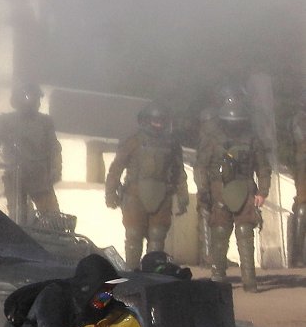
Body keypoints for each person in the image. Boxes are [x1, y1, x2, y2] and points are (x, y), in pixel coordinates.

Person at [196, 100, 270, 291]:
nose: (234, 125)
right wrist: (203, 190)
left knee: (245, 233)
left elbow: (263, 166)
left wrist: (262, 191)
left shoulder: (252, 139)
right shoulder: (212, 139)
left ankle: (250, 282)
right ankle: (218, 279)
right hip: (218, 188)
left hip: (245, 188)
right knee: (220, 233)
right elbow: (201, 166)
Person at [105, 102, 188, 269]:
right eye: (154, 120)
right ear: (146, 120)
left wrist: (183, 196)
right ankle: (131, 276)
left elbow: (179, 172)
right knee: (134, 236)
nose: (158, 123)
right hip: (134, 196)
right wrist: (110, 193)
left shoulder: (172, 144)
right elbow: (116, 169)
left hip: (163, 196)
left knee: (157, 238)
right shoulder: (133, 141)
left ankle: (151, 277)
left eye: (161, 120)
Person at [0, 83, 62, 226]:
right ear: (17, 100)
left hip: (40, 178)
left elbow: (54, 148)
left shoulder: (45, 122)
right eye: (29, 97)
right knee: (18, 218)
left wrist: (55, 169)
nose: (34, 102)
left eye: (37, 99)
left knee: (52, 220)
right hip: (15, 177)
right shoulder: (5, 121)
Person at [196, 83, 247, 267]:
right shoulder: (212, 118)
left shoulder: (231, 119)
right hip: (211, 170)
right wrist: (203, 185)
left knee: (219, 216)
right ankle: (209, 256)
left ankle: (216, 257)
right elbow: (205, 152)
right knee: (207, 209)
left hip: (226, 172)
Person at [287, 89, 306, 266]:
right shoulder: (300, 118)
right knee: (303, 206)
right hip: (304, 165)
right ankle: (299, 255)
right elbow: (301, 141)